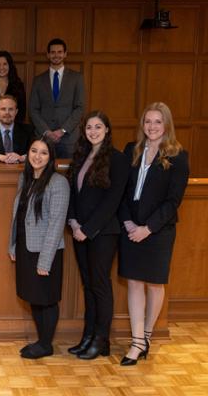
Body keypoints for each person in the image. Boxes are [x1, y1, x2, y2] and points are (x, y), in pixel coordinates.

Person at [118, 102, 189, 366]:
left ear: (166, 125)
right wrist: (127, 222)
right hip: (130, 227)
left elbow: (173, 201)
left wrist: (147, 229)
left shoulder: (178, 156)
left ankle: (145, 336)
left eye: (158, 122)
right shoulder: (131, 150)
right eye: (148, 121)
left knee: (154, 283)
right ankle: (137, 341)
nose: (152, 126)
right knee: (134, 283)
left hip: (157, 231)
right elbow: (121, 190)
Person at [66, 111, 130, 360]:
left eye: (98, 127)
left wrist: (88, 229)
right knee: (88, 286)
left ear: (107, 130)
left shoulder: (118, 159)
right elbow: (72, 191)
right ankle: (89, 336)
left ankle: (102, 339)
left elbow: (112, 201)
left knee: (100, 286)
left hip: (102, 233)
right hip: (79, 230)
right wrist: (72, 222)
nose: (93, 131)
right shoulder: (81, 156)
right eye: (89, 127)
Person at [8, 137, 69, 359]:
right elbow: (18, 217)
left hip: (45, 251)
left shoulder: (58, 182)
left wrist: (45, 260)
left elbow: (56, 223)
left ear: (51, 157)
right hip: (26, 247)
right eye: (34, 150)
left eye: (44, 153)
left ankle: (46, 344)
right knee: (33, 296)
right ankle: (41, 341)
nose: (37, 156)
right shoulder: (25, 179)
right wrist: (13, 244)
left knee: (47, 298)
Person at [29, 38, 85, 158]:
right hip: (44, 138)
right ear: (48, 55)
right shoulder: (38, 80)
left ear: (65, 54)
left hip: (68, 139)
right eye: (53, 52)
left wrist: (63, 130)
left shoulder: (77, 78)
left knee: (69, 174)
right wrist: (47, 131)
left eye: (59, 52)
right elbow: (33, 109)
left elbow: (79, 107)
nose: (56, 55)